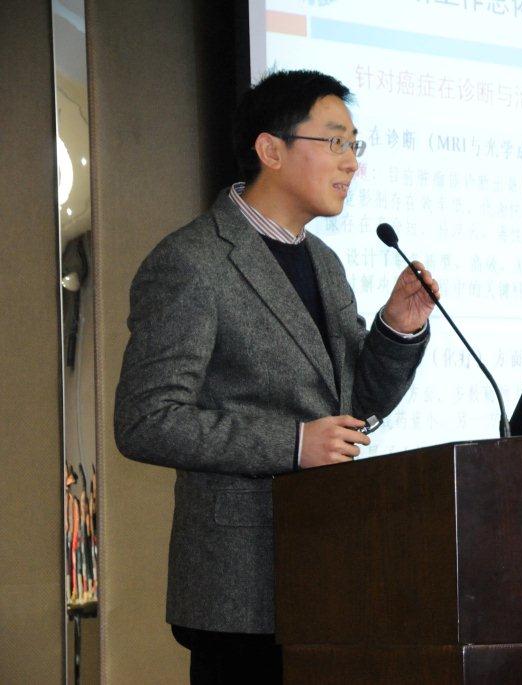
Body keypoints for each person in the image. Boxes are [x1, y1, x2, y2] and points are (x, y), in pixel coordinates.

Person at [114, 69, 437, 684]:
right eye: (335, 141)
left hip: (328, 573)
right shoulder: (193, 260)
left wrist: (398, 329)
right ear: (271, 149)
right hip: (240, 590)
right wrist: (292, 444)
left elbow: (355, 410)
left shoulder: (324, 261)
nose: (351, 162)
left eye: (355, 145)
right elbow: (146, 420)